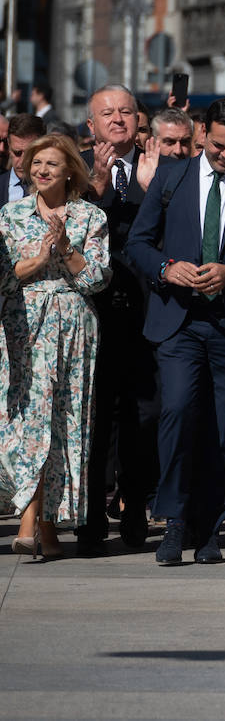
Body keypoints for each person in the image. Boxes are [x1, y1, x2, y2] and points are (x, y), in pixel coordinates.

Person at [126, 98, 225, 566]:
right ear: (201, 134)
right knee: (176, 412)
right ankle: (174, 521)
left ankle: (210, 529)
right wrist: (167, 268)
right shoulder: (172, 178)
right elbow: (137, 241)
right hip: (179, 321)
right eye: (217, 145)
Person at [0, 135, 111, 558]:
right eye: (36, 163)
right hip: (23, 325)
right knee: (28, 421)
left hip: (73, 326)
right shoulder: (10, 216)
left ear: (70, 171)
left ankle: (45, 523)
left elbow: (97, 279)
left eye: (52, 163)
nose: (43, 170)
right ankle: (31, 518)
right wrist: (42, 257)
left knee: (62, 422)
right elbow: (6, 277)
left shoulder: (90, 217)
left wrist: (65, 247)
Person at [78, 86, 159, 554]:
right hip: (95, 314)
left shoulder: (161, 171)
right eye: (107, 113)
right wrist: (99, 190)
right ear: (91, 125)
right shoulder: (78, 171)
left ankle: (134, 509)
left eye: (126, 112)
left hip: (148, 313)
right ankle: (91, 519)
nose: (118, 119)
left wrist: (149, 191)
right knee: (96, 421)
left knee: (142, 419)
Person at [4, 114, 45, 206]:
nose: (23, 162)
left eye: (29, 154)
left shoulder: (57, 188)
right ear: (9, 145)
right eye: (17, 153)